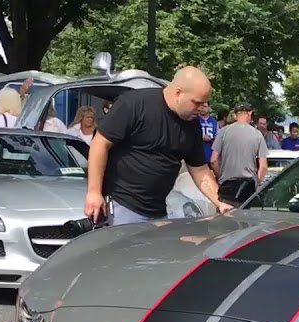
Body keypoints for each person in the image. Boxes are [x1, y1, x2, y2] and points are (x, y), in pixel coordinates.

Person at [83, 66, 232, 226]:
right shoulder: (135, 104)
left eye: (204, 104)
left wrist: (220, 202)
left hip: (159, 210)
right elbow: (99, 144)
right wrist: (94, 192)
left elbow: (200, 171)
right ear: (178, 93)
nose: (201, 109)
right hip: (123, 206)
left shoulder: (192, 126)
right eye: (197, 103)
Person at [211, 102, 268, 205]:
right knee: (245, 214)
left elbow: (213, 161)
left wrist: (221, 178)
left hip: (226, 186)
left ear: (234, 115)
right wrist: (257, 183)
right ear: (250, 113)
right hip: (248, 187)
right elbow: (263, 166)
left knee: (225, 213)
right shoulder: (257, 135)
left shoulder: (223, 132)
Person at [197, 99, 217, 163]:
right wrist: (201, 137)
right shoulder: (195, 120)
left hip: (210, 153)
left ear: (209, 107)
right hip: (198, 153)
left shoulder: (213, 121)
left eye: (205, 106)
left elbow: (217, 134)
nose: (203, 108)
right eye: (201, 106)